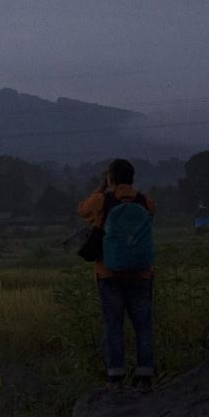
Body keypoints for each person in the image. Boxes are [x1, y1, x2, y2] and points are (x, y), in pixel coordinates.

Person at [77, 158, 155, 390]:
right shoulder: (146, 202)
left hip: (108, 272)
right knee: (143, 326)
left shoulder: (102, 200)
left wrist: (101, 187)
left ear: (110, 178)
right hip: (141, 273)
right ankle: (144, 376)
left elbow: (82, 210)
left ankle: (115, 376)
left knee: (113, 324)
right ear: (132, 178)